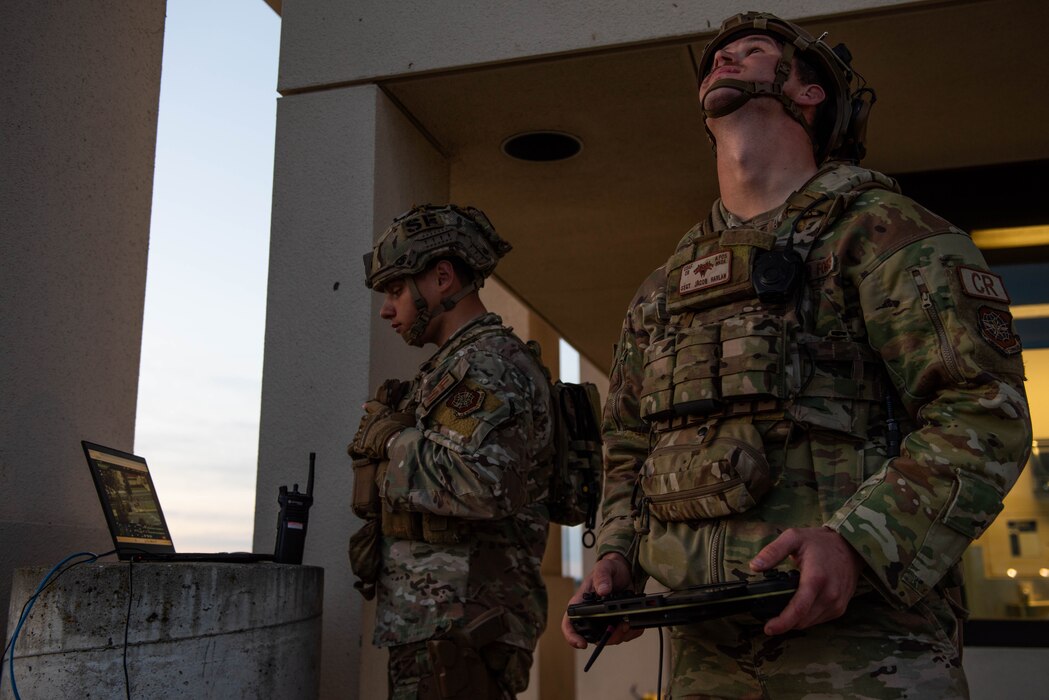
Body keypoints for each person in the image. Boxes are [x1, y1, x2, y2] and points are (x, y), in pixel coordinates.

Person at [562, 11, 1032, 698]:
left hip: (865, 653)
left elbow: (983, 411)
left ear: (809, 94)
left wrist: (858, 543)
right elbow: (629, 443)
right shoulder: (665, 286)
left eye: (751, 51)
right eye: (717, 53)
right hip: (704, 656)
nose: (725, 56)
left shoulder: (882, 234)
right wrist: (614, 556)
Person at [348, 204, 554, 699]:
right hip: (442, 626)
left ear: (442, 278)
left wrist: (390, 441)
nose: (386, 309)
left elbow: (484, 481)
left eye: (396, 290)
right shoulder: (456, 365)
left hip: (461, 629)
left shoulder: (486, 365)